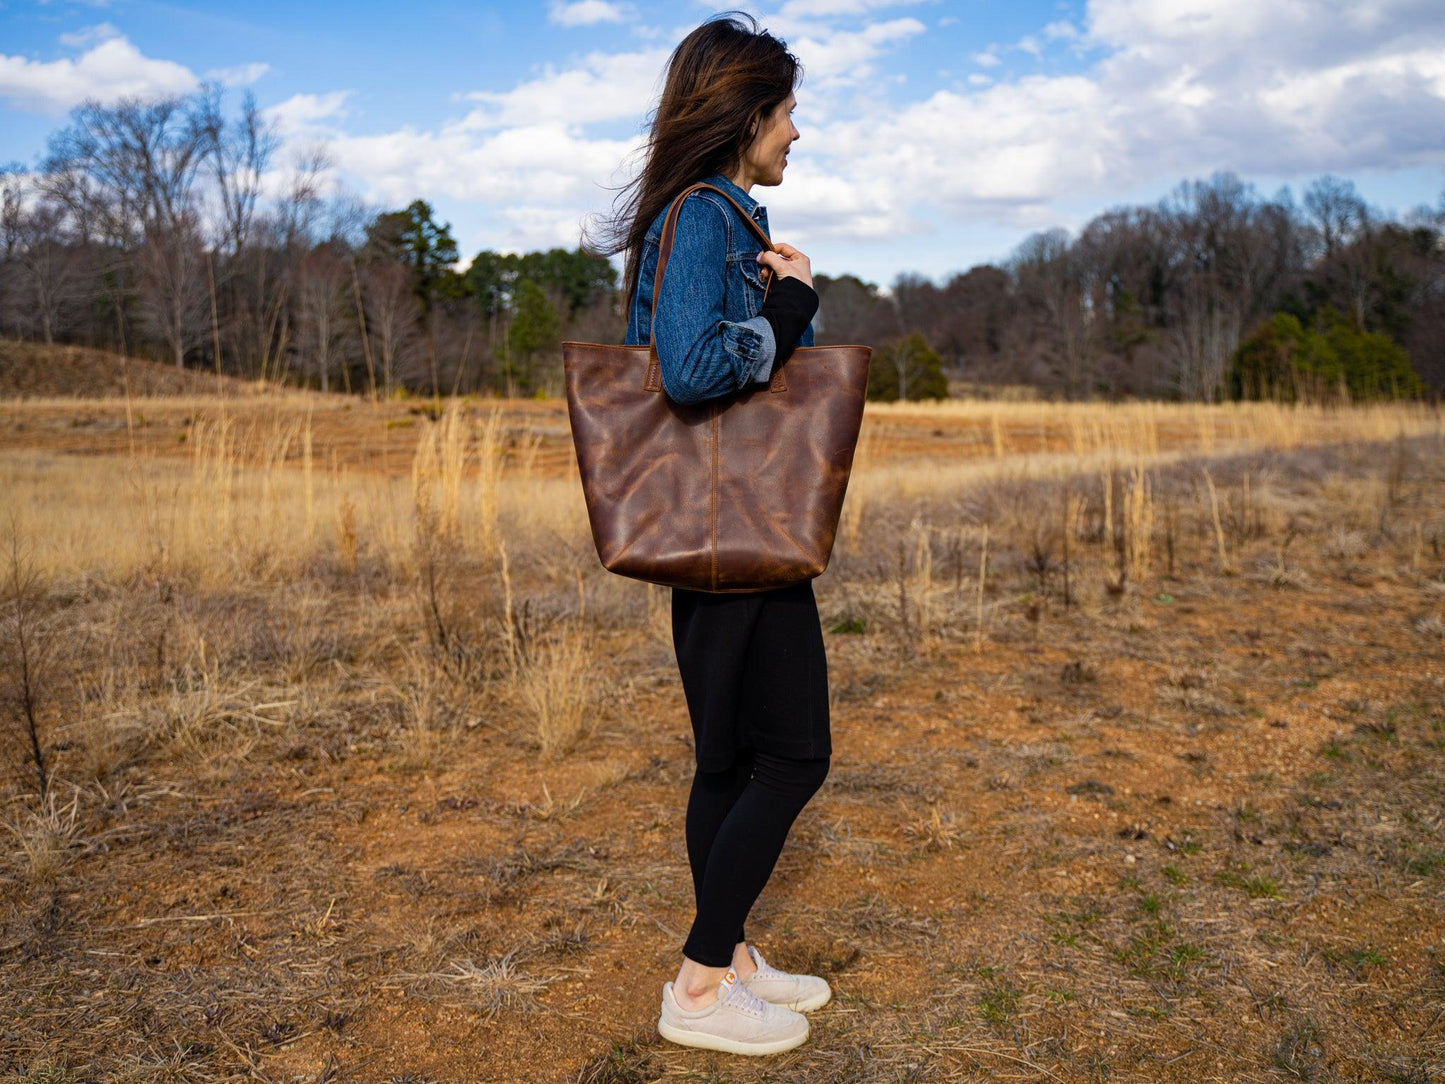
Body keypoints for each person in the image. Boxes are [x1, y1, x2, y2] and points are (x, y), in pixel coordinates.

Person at [582, 10, 831, 1058]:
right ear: (746, 115)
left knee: (727, 760)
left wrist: (778, 297)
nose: (795, 133)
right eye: (787, 113)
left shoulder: (718, 222)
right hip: (738, 527)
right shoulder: (703, 217)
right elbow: (689, 370)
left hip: (730, 524)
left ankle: (725, 959)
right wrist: (793, 307)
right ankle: (695, 988)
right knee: (794, 757)